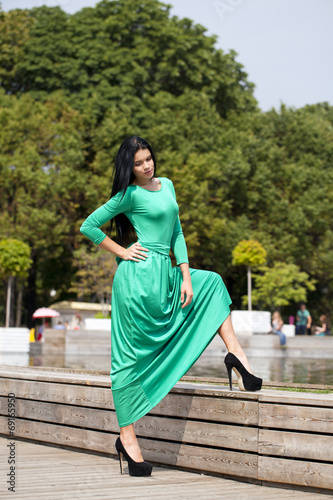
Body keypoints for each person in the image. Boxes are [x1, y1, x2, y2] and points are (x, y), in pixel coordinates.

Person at [80, 136, 262, 477]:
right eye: (139, 163)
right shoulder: (128, 195)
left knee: (213, 283)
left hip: (167, 274)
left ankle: (236, 355)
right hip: (137, 281)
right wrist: (122, 251)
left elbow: (176, 231)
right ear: (128, 168)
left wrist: (187, 275)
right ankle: (127, 437)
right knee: (128, 358)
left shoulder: (168, 185)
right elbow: (88, 226)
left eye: (149, 159)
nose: (147, 166)